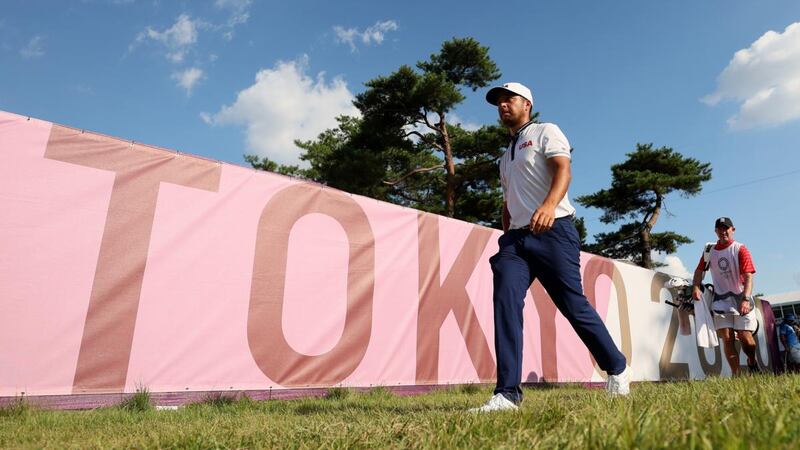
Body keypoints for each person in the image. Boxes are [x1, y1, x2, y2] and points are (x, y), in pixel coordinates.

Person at [471, 82, 629, 413]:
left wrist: (548, 205)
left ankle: (616, 368)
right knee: (505, 301)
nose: (502, 105)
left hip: (554, 229)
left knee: (573, 305)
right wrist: (509, 232)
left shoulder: (545, 131)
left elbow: (563, 170)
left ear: (526, 103)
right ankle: (507, 394)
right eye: (498, 102)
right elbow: (508, 200)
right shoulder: (504, 157)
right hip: (516, 239)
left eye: (508, 99)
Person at [691, 217, 758, 376]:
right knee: (727, 338)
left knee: (745, 337)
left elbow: (748, 276)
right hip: (720, 300)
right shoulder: (709, 250)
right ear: (716, 231)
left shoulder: (740, 249)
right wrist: (695, 287)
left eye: (726, 228)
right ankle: (736, 375)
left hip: (741, 297)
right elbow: (699, 271)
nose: (723, 231)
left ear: (732, 230)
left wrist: (746, 299)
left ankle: (752, 361)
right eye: (720, 229)